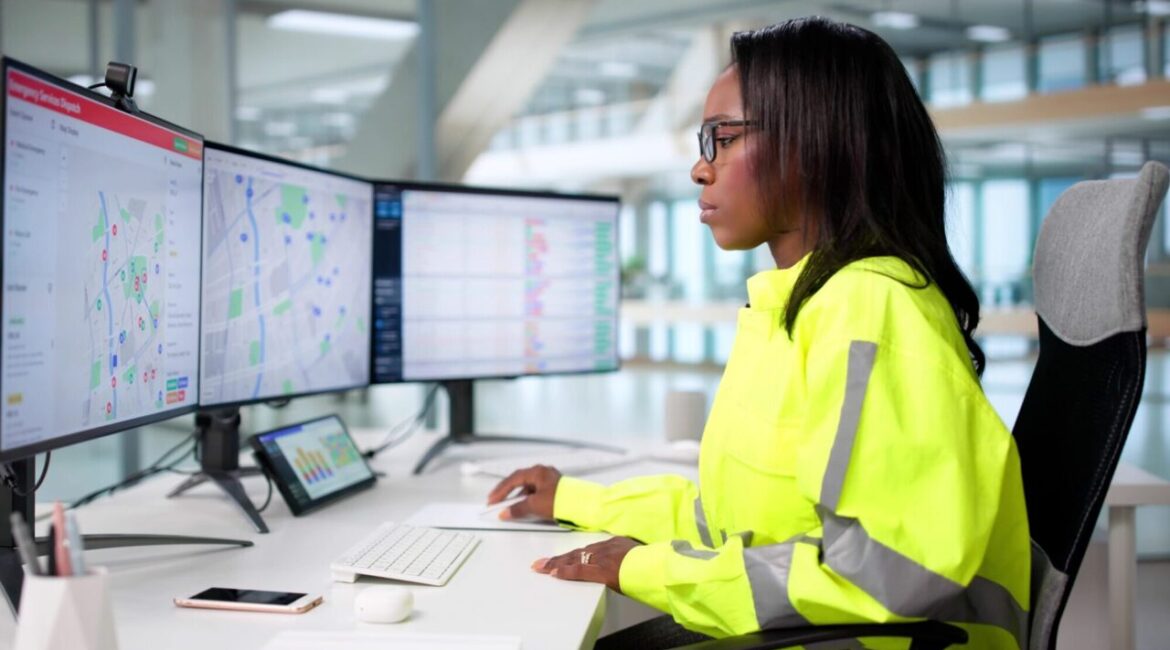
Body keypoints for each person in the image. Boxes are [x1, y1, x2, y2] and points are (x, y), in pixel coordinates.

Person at [486, 16, 1030, 650]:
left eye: (722, 137)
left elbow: (890, 573)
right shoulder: (798, 305)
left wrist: (644, 567)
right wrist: (574, 499)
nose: (699, 167)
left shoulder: (872, 309)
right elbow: (729, 517)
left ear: (813, 144)